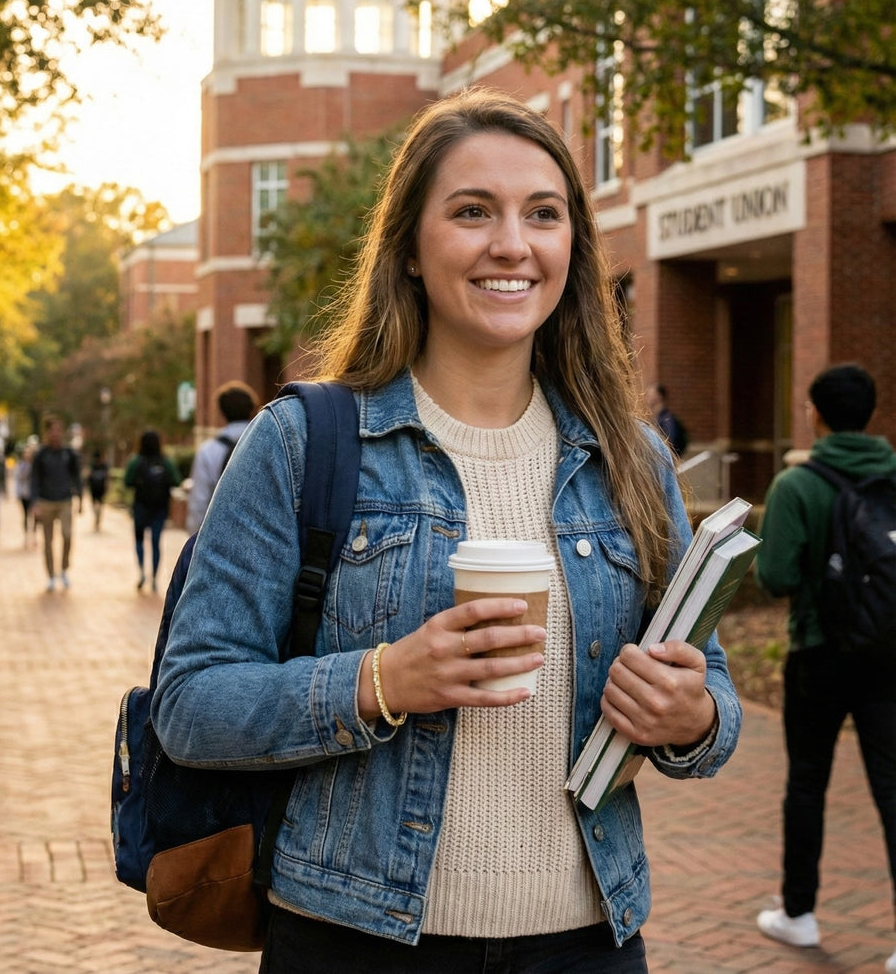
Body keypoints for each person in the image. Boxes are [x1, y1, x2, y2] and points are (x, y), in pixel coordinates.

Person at [155, 88, 742, 971]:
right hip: (356, 937)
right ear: (409, 251)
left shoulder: (631, 460)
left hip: (587, 943)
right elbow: (191, 705)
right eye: (473, 212)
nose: (512, 243)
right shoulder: (304, 442)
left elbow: (715, 702)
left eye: (542, 214)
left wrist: (690, 714)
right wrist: (384, 679)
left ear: (571, 248)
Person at [755, 363, 896, 971]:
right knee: (892, 789)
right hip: (889, 655)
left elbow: (777, 576)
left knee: (807, 782)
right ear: (871, 414)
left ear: (815, 412)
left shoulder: (797, 485)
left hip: (819, 651)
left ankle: (799, 914)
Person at [184, 381, 259, 534]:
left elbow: (199, 502)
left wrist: (195, 540)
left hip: (221, 536)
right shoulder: (268, 444)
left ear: (222, 413)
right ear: (253, 409)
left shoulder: (209, 451)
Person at [30, 414, 82, 592]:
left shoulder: (69, 454)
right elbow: (34, 479)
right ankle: (51, 575)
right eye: (52, 431)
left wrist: (80, 498)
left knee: (67, 535)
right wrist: (34, 503)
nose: (56, 434)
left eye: (59, 430)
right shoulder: (41, 455)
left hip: (65, 500)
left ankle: (64, 569)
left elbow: (77, 476)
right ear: (48, 433)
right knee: (48, 541)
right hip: (45, 501)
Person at [123, 430, 179, 592]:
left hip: (141, 506)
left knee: (140, 541)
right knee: (156, 542)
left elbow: (127, 481)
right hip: (159, 508)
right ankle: (154, 577)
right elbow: (176, 480)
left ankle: (141, 573)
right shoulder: (166, 462)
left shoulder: (136, 461)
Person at [644, 383, 687, 457]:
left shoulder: (667, 419)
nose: (647, 397)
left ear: (659, 396)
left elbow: (670, 443)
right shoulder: (655, 418)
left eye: (651, 394)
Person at [13, 440, 36, 548]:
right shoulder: (20, 466)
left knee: (35, 516)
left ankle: (34, 536)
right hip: (24, 494)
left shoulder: (35, 466)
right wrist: (17, 493)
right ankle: (26, 536)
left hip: (33, 494)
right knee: (26, 515)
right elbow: (17, 480)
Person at [87, 447, 109, 532]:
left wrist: (107, 487)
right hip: (94, 489)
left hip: (101, 489)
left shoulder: (104, 466)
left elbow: (107, 478)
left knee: (99, 506)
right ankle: (97, 517)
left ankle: (98, 519)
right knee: (95, 506)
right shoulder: (93, 466)